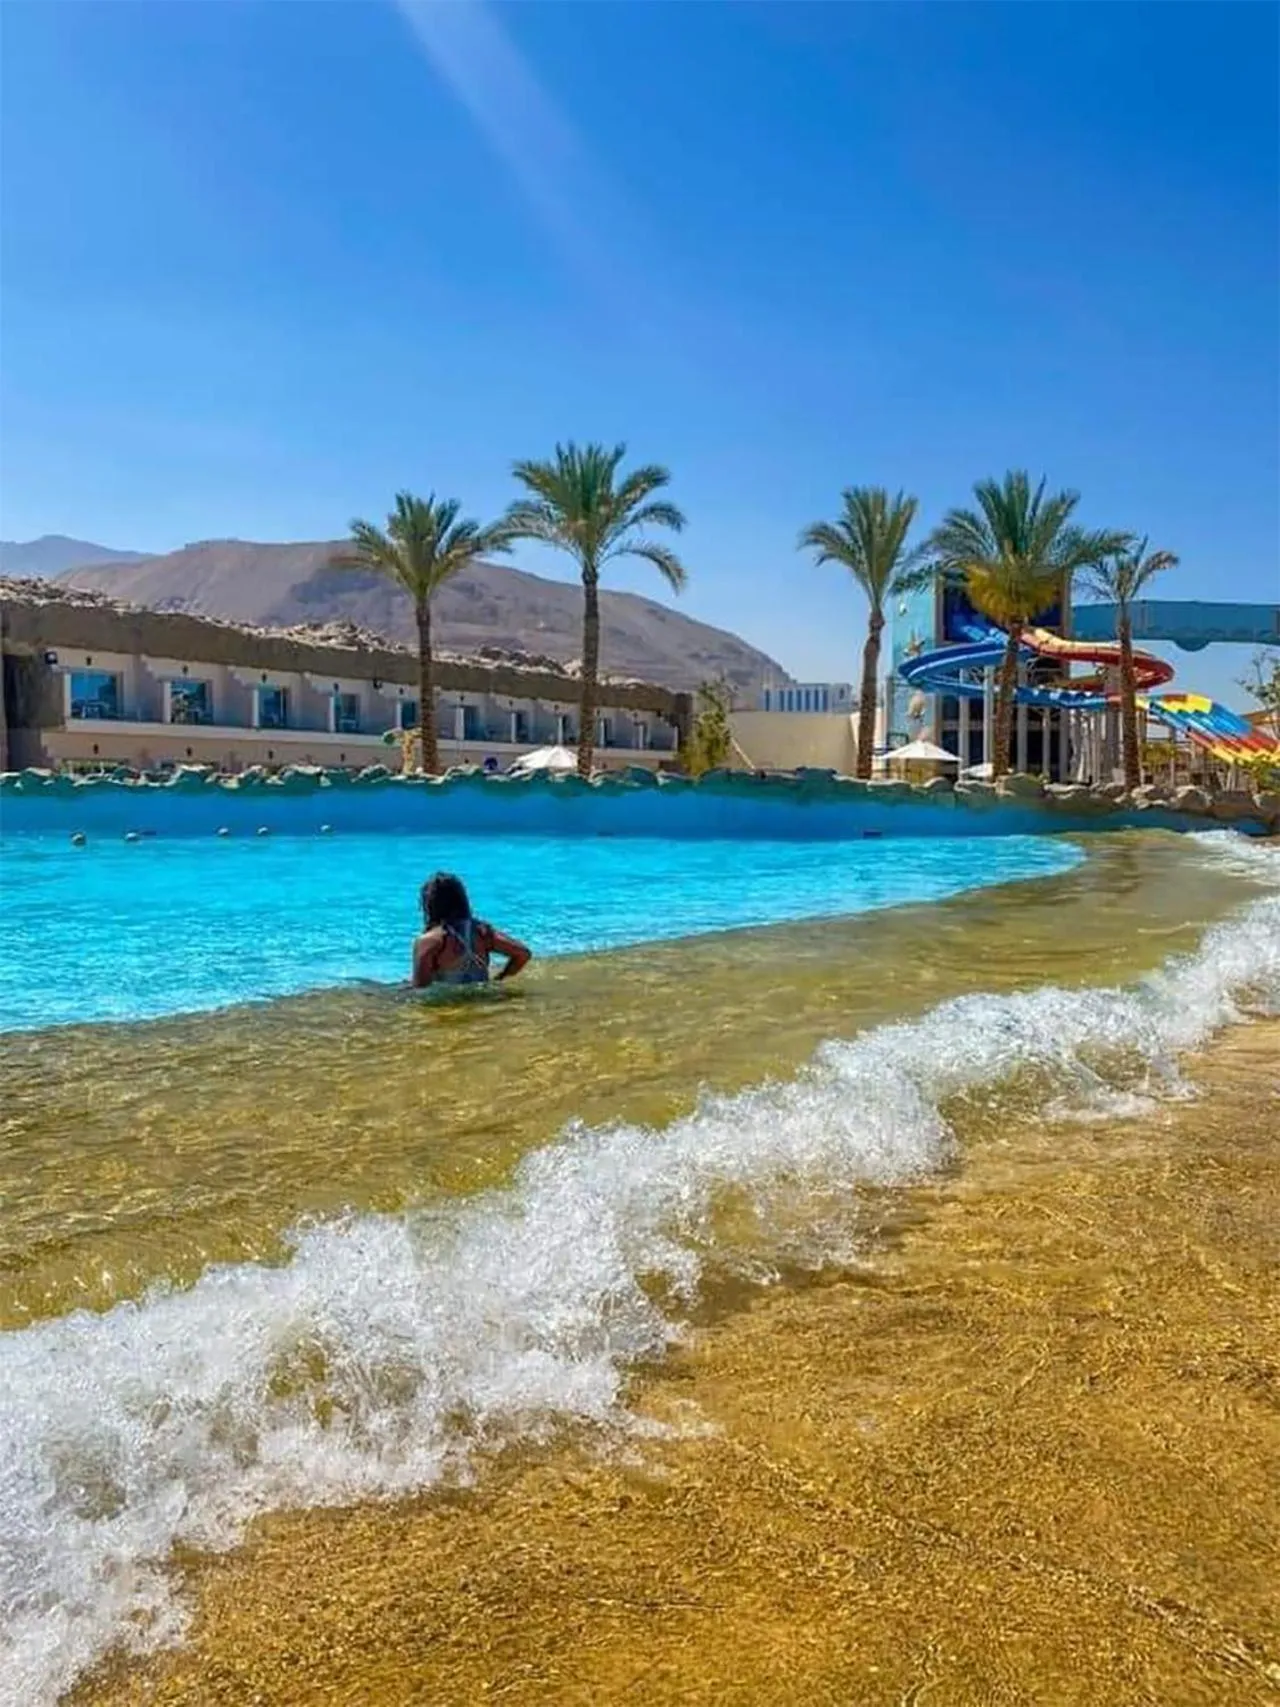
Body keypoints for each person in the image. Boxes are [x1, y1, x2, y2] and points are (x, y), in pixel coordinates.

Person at [411, 872, 531, 990]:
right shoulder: (483, 932)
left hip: (450, 1006)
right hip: (482, 999)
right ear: (462, 900)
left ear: (430, 904)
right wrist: (499, 980)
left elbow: (420, 989)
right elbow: (523, 954)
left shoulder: (429, 940)